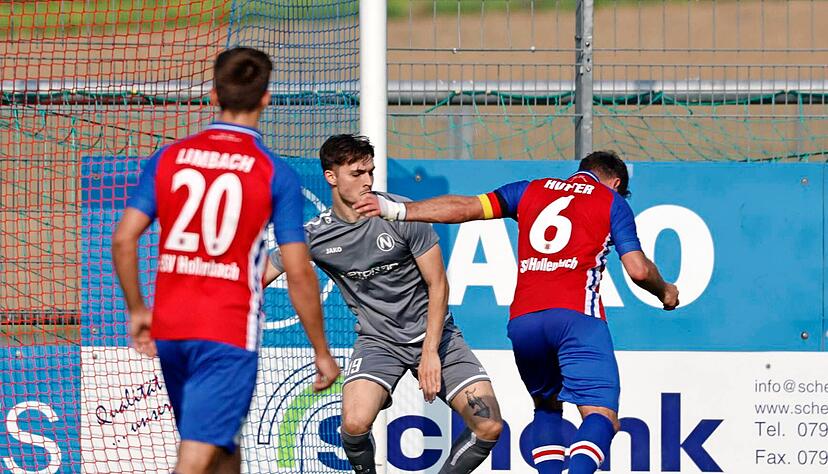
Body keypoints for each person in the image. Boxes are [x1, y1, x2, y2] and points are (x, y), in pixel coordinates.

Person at [355, 150, 680, 474]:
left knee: (547, 408)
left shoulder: (530, 190)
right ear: (616, 183)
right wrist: (665, 291)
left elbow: (465, 207)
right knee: (601, 417)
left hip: (525, 322)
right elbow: (638, 270)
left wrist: (395, 209)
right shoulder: (611, 202)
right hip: (576, 319)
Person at [111, 47, 340, 474]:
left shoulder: (169, 157)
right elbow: (297, 270)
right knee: (196, 459)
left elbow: (124, 239)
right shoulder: (273, 172)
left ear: (214, 94)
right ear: (266, 97)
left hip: (171, 327)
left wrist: (138, 309)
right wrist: (321, 351)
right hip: (226, 332)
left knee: (221, 444)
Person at [263, 134, 503, 474]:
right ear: (331, 177)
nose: (367, 181)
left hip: (437, 337)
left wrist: (430, 352)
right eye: (356, 173)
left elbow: (438, 284)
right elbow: (259, 276)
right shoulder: (315, 235)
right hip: (378, 343)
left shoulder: (401, 213)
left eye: (370, 172)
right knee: (354, 424)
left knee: (489, 425)